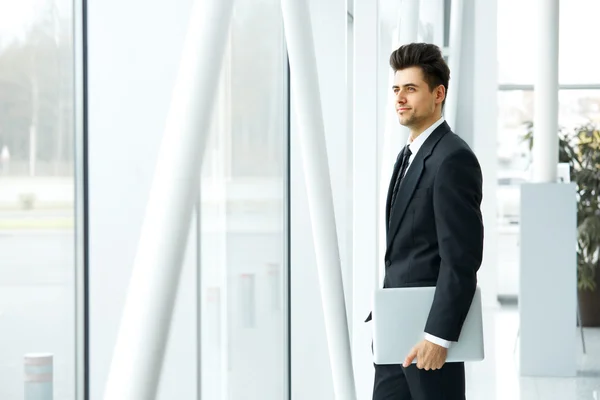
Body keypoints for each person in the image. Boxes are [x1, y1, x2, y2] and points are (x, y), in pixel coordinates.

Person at [368, 43, 484, 399]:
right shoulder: (408, 155)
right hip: (395, 335)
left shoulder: (452, 159)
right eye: (396, 89)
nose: (400, 98)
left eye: (411, 88)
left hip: (427, 341)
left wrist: (438, 338)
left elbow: (460, 260)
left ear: (438, 94)